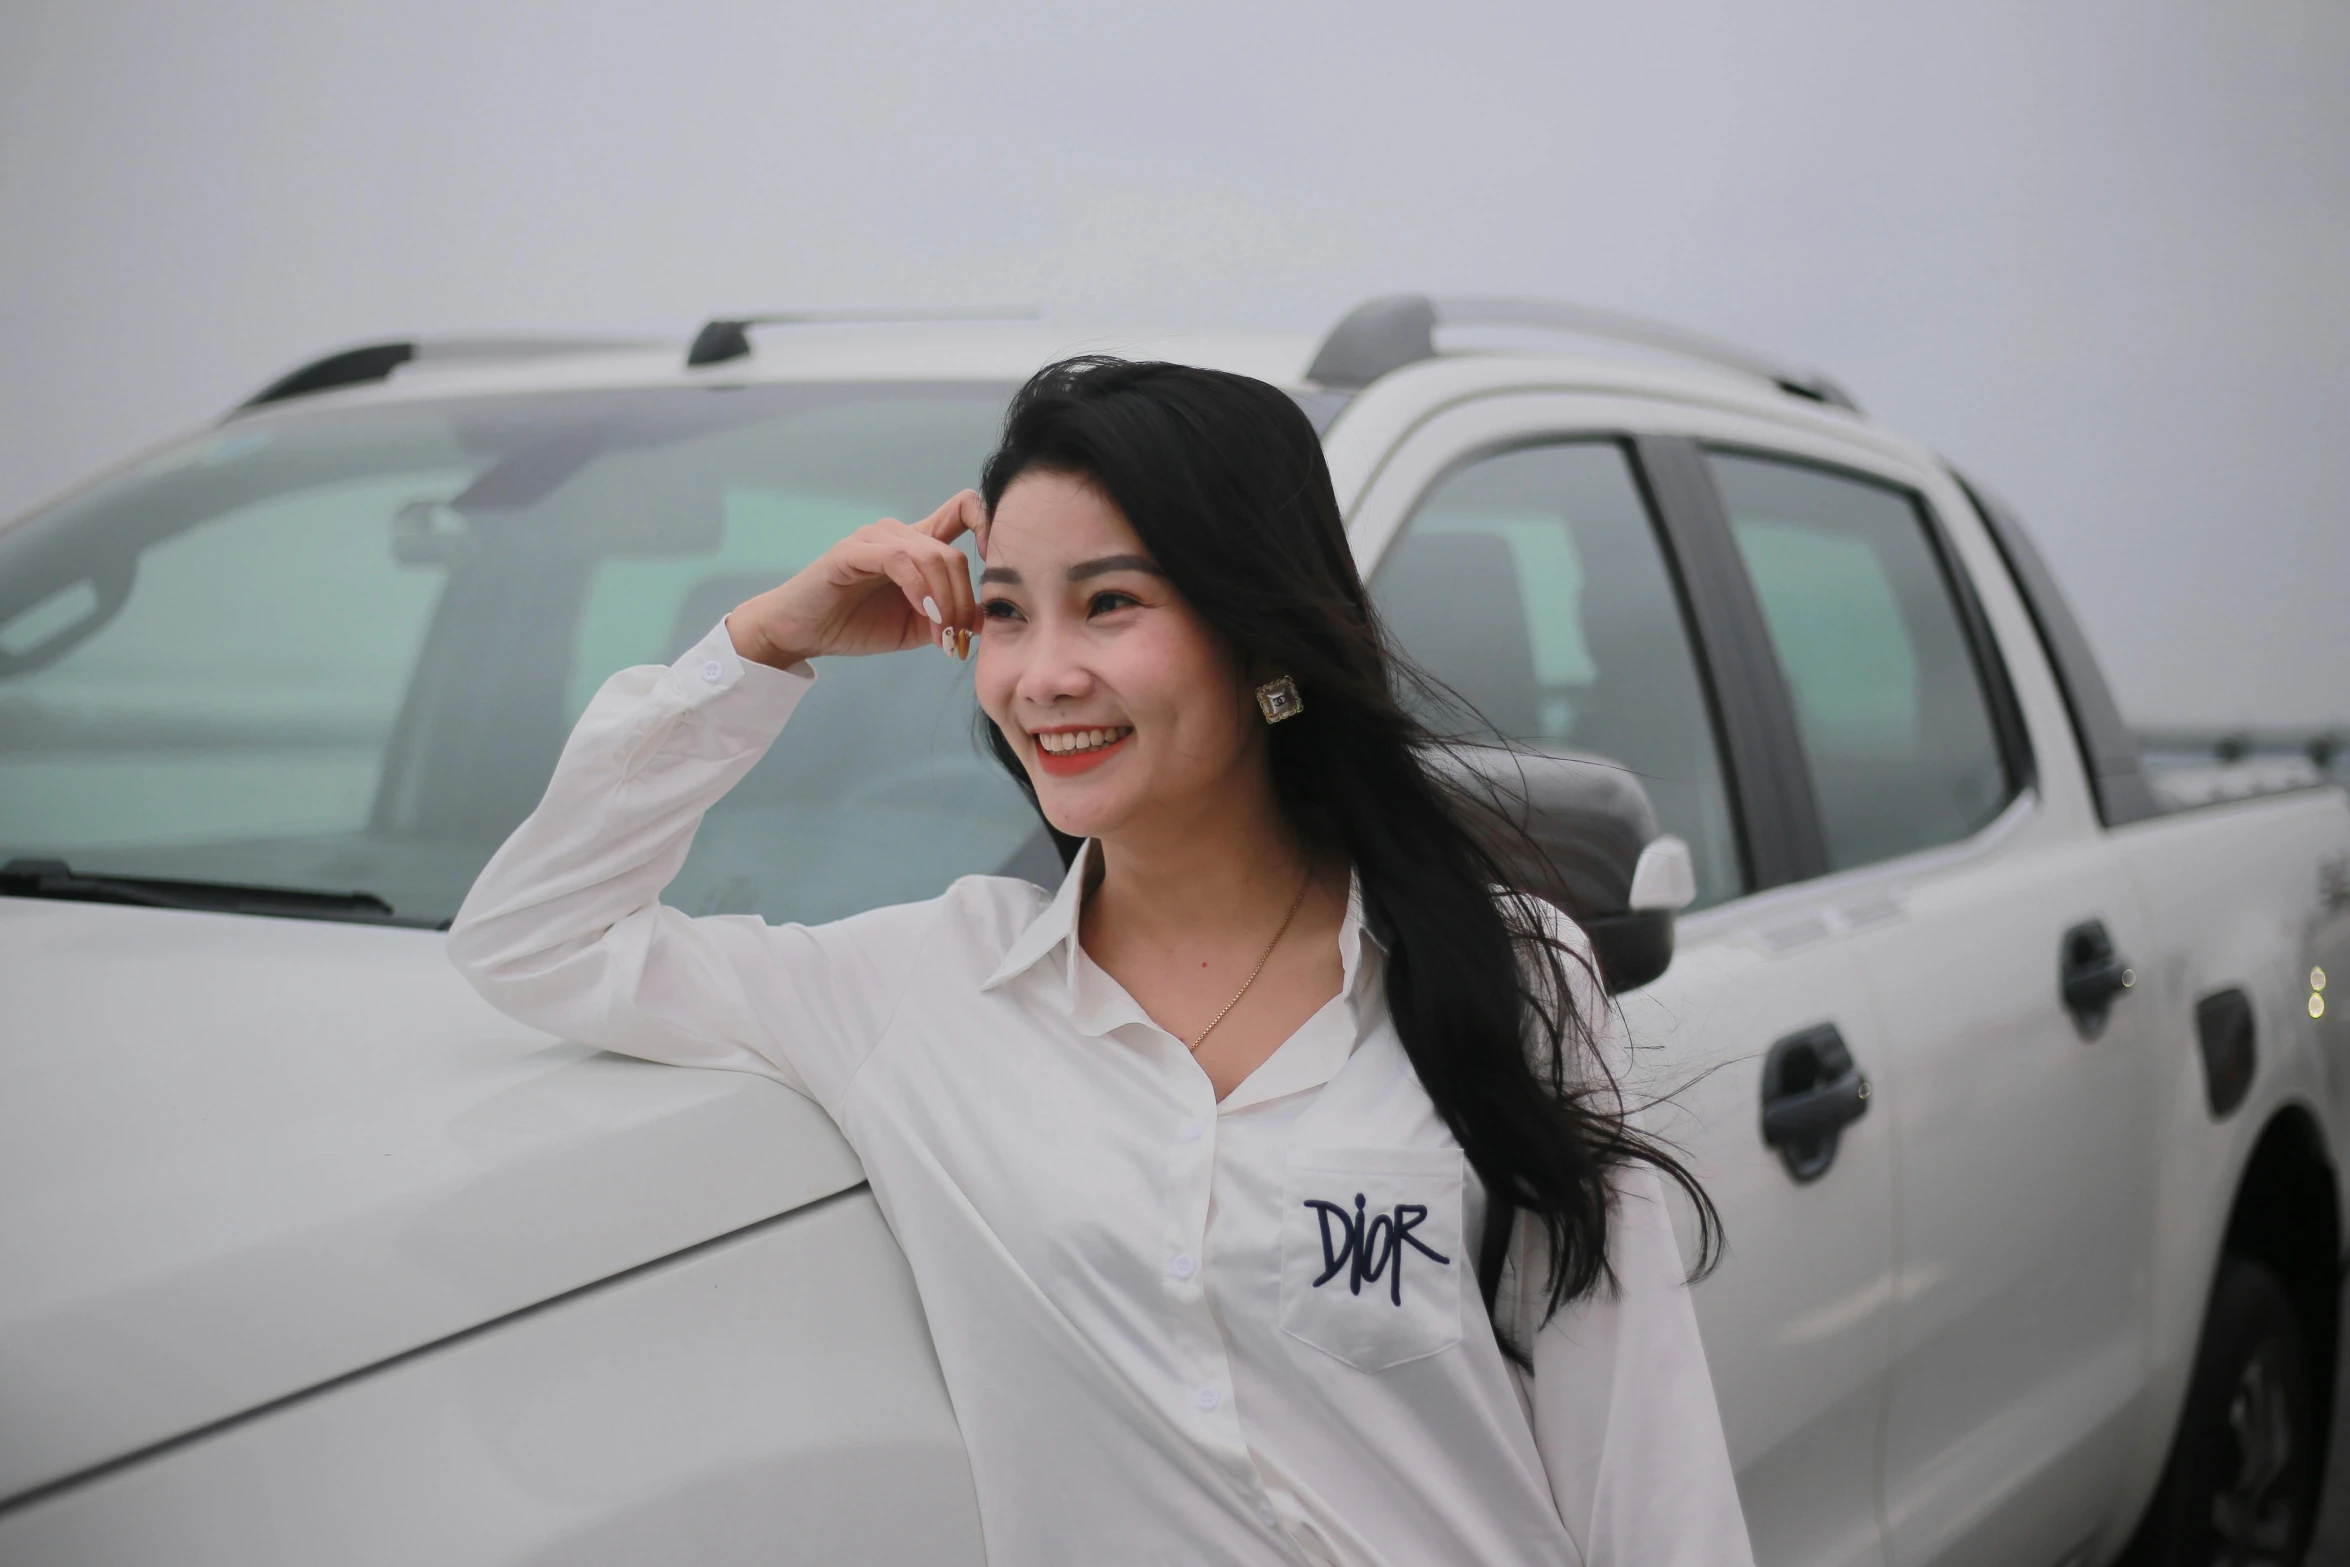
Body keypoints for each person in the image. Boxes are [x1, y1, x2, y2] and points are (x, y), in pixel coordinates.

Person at [449, 356, 1754, 1565]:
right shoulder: (924, 992)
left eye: (1111, 603)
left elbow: (1641, 1462)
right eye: (1004, 613)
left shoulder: (1503, 975)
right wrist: (764, 645)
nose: (1042, 674)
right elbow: (536, 935)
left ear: (1261, 639)